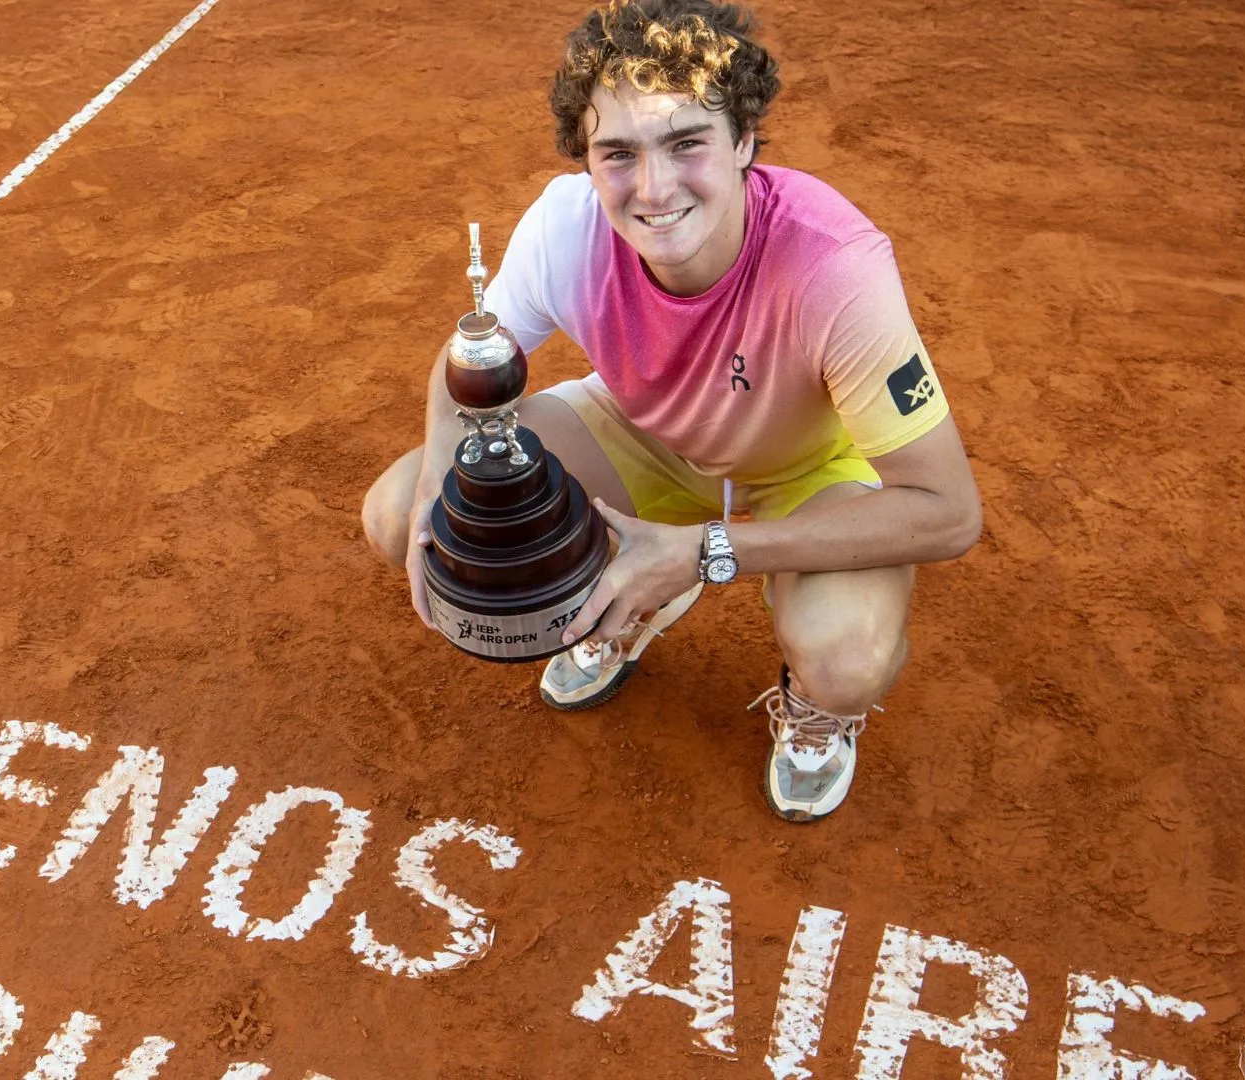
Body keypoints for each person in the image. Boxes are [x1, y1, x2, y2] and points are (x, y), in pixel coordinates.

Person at [360, 0, 982, 821]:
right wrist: (435, 495)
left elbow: (947, 512)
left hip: (810, 470)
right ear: (587, 162)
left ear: (745, 140)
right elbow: (468, 365)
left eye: (687, 142)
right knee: (408, 510)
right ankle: (634, 586)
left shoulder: (833, 267)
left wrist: (705, 553)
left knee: (844, 656)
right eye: (618, 153)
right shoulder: (566, 229)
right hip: (641, 434)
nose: (653, 189)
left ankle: (807, 699)